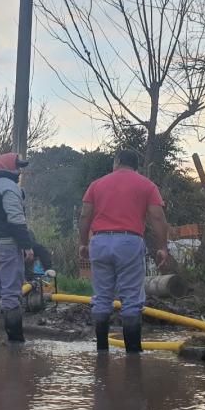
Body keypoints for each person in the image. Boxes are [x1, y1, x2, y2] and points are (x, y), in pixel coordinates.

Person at [78, 149, 169, 353]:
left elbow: (85, 216)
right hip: (129, 241)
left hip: (99, 241)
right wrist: (163, 247)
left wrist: (83, 243)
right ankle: (133, 355)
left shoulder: (96, 184)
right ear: (136, 165)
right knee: (131, 300)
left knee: (101, 298)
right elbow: (157, 218)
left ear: (117, 162)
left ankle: (101, 352)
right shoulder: (147, 185)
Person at [0, 152, 34, 342]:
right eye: (17, 166)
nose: (19, 170)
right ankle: (16, 344)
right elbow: (16, 219)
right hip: (7, 247)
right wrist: (27, 246)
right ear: (8, 168)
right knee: (12, 294)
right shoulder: (10, 188)